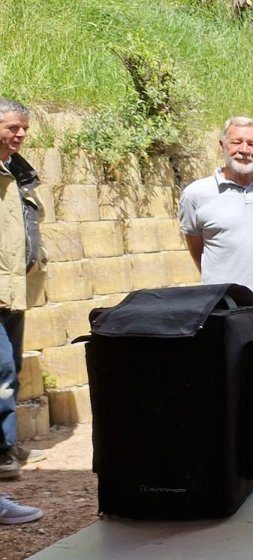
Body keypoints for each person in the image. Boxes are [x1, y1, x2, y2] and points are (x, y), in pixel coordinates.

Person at [178, 116, 253, 482]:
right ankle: (231, 457)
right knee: (227, 381)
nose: (244, 150)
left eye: (251, 144)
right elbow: (196, 248)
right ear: (222, 145)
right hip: (225, 309)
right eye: (237, 142)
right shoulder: (197, 194)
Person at [0, 98, 46, 524]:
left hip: (14, 292)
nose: (20, 134)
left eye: (24, 129)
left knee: (8, 371)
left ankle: (5, 452)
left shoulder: (18, 173)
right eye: (12, 127)